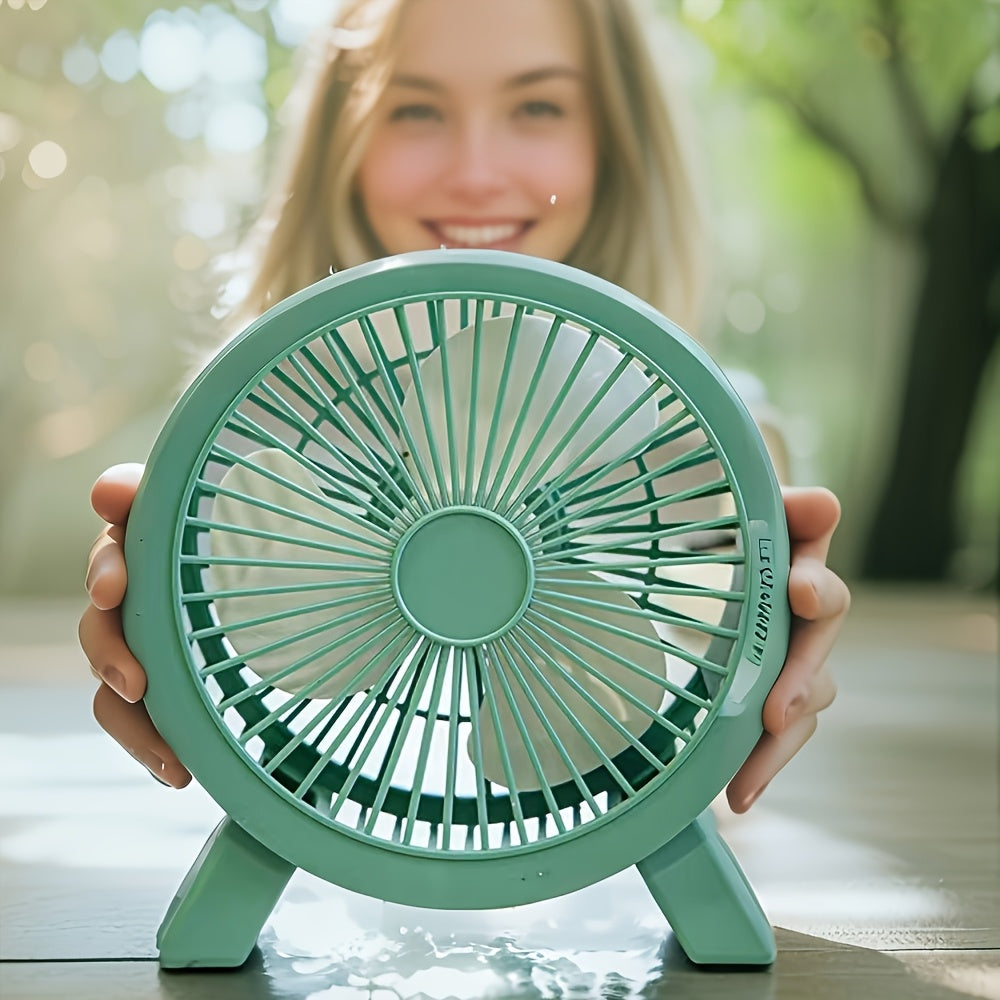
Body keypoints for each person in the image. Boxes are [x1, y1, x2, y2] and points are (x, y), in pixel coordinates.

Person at [79, 0, 848, 813]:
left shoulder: (699, 451)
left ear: (618, 141)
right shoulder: (248, 444)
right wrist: (163, 620)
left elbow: (723, 610)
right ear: (342, 142)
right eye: (415, 109)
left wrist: (758, 664)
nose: (476, 173)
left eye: (538, 105)